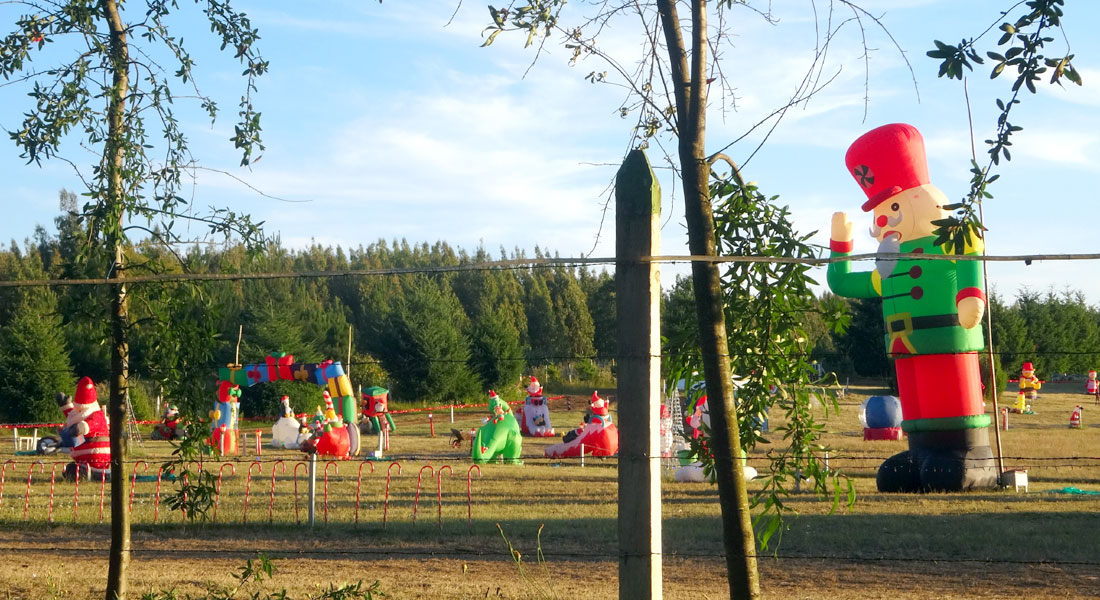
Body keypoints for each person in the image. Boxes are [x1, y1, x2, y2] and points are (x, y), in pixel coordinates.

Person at [827, 123, 995, 492]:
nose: (883, 219)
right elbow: (842, 284)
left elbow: (970, 254)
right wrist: (840, 246)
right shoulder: (888, 269)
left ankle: (967, 453)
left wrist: (970, 295)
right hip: (904, 344)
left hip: (946, 337)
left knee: (950, 391)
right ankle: (921, 452)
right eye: (879, 211)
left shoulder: (950, 238)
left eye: (893, 206)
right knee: (915, 400)